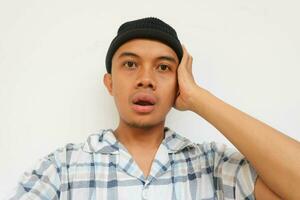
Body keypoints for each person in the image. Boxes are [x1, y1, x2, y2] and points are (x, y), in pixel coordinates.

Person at [8, 17, 300, 200]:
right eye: (130, 64)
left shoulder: (214, 166)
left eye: (163, 67)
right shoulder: (62, 168)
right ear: (109, 83)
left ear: (178, 84)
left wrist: (198, 98)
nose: (145, 79)